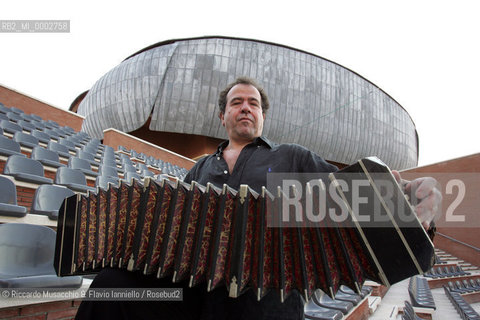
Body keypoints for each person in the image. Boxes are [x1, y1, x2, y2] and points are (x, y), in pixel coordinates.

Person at [76, 76, 441, 320]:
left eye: (253, 103)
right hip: (194, 295)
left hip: (268, 301)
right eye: (237, 102)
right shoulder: (200, 169)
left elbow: (347, 195)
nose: (246, 107)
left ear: (262, 116)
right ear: (224, 116)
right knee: (110, 286)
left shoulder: (292, 157)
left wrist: (408, 197)